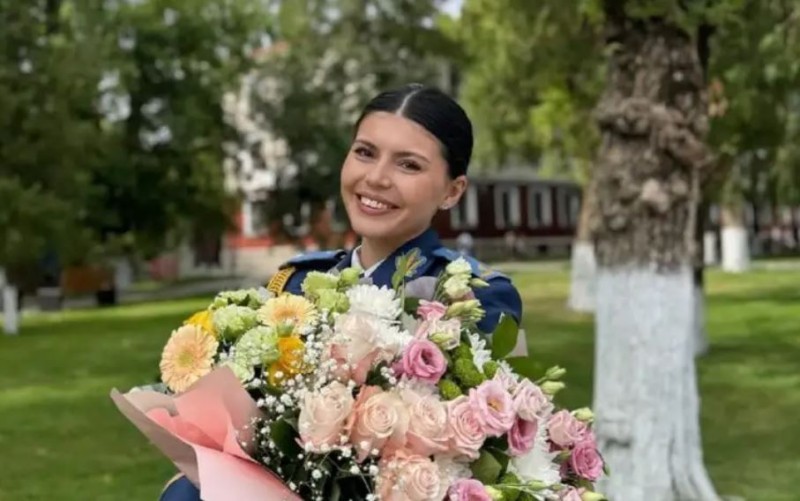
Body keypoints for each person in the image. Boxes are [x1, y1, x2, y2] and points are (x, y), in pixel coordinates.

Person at [159, 83, 523, 500]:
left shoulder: (474, 297)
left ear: (452, 191)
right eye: (365, 153)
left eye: (408, 165)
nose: (376, 178)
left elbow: (477, 448)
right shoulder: (296, 283)